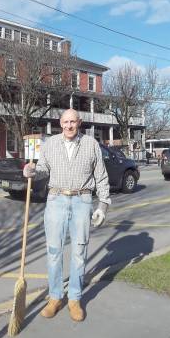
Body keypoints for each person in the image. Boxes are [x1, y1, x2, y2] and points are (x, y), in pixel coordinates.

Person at [23, 109, 110, 322]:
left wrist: (103, 205)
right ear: (60, 124)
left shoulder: (91, 144)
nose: (69, 126)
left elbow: (101, 177)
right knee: (54, 252)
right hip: (56, 200)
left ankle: (74, 299)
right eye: (65, 122)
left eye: (73, 121)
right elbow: (42, 170)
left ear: (79, 123)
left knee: (79, 252)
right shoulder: (50, 144)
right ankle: (54, 298)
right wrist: (31, 172)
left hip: (82, 201)